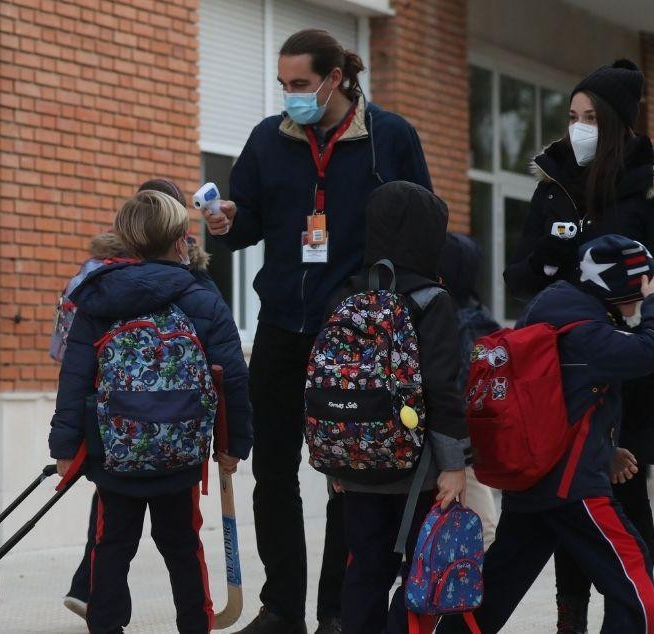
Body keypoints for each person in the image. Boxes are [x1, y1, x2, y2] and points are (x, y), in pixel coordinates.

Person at [202, 28, 432, 634]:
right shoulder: (266, 140)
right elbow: (248, 218)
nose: (290, 96)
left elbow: (421, 225)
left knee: (348, 475)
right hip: (281, 324)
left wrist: (394, 308)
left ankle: (337, 610)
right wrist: (228, 220)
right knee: (272, 472)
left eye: (300, 84)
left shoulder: (392, 137)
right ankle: (282, 609)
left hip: (355, 334)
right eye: (283, 85)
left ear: (335, 79)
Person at [500, 59, 654, 633]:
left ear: (617, 123)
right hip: (560, 376)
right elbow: (520, 276)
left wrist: (653, 354)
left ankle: (633, 617)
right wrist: (551, 254)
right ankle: (571, 620)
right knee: (568, 503)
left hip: (628, 373)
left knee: (624, 506)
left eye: (590, 117)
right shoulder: (555, 181)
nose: (577, 127)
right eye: (571, 116)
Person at [439, 234, 654, 634]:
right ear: (616, 284)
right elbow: (653, 350)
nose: (641, 297)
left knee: (497, 585)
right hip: (573, 488)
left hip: (535, 481)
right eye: (638, 285)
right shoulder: (585, 331)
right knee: (631, 577)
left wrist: (605, 451)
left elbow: (566, 404)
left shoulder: (553, 314)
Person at [49, 190, 253, 633]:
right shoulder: (201, 299)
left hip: (113, 456)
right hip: (181, 458)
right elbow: (231, 377)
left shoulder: (99, 299)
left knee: (111, 548)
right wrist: (233, 444)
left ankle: (105, 626)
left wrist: (65, 446)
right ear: (182, 242)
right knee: (183, 549)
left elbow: (76, 377)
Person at [324, 181, 469, 633]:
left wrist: (336, 459)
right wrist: (455, 464)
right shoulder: (432, 300)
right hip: (419, 471)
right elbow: (444, 388)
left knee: (364, 569)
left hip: (358, 466)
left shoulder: (347, 295)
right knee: (420, 572)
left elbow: (326, 381)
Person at [438, 232, 502, 548]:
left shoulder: (448, 317)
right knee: (482, 530)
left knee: (482, 530)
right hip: (461, 437)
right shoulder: (478, 316)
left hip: (455, 438)